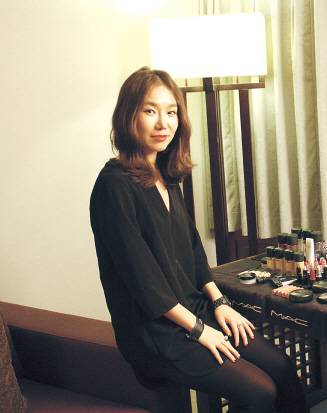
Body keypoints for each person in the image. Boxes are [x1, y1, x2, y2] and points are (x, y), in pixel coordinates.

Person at [90, 67, 309, 413]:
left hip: (194, 308)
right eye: (150, 110)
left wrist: (220, 303)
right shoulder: (113, 185)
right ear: (128, 115)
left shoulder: (165, 176)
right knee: (261, 391)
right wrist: (199, 331)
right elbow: (144, 283)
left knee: (281, 366)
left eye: (171, 111)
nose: (164, 122)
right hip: (155, 329)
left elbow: (192, 253)